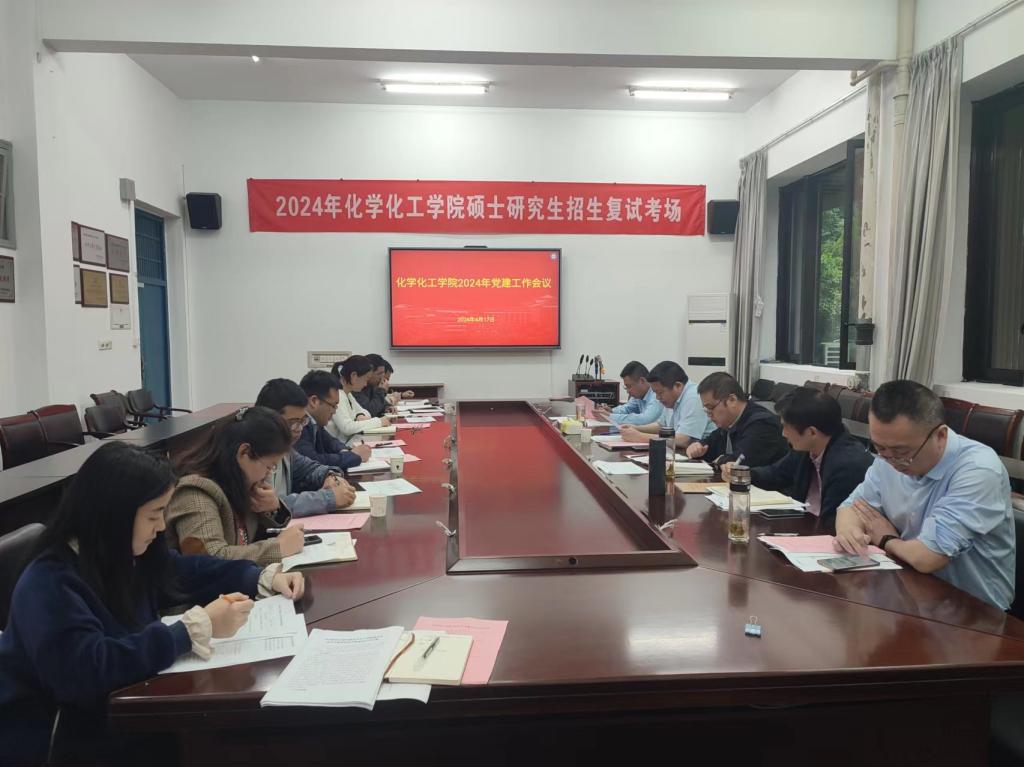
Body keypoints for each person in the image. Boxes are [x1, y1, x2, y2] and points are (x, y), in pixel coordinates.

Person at [0, 442, 304, 764]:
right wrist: (189, 632)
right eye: (154, 515)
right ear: (114, 514)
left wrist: (258, 577)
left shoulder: (118, 552)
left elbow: (184, 572)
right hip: (62, 737)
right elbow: (88, 672)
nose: (161, 526)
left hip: (123, 711)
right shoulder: (48, 582)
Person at [833, 380, 1015, 610]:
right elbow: (851, 508)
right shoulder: (888, 458)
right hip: (909, 594)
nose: (891, 461)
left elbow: (928, 557)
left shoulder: (978, 470)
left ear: (940, 435)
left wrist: (887, 540)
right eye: (879, 448)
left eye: (902, 452)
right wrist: (850, 534)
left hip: (973, 612)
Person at [165, 406, 305, 566]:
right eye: (269, 466)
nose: (267, 475)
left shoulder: (240, 484)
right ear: (244, 453)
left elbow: (256, 539)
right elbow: (209, 558)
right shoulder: (195, 491)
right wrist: (277, 548)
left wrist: (273, 508)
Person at [722, 387, 873, 518]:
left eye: (786, 427)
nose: (783, 434)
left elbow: (831, 521)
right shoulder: (807, 449)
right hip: (804, 523)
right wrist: (743, 474)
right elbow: (776, 474)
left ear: (812, 432)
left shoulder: (847, 465)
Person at [254, 378, 357, 515]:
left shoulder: (287, 451)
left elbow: (311, 468)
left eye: (303, 421)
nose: (299, 429)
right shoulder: (252, 455)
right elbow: (268, 506)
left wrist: (331, 477)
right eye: (293, 422)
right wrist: (328, 498)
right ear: (269, 419)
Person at [686, 372, 789, 468]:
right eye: (706, 409)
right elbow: (708, 446)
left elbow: (740, 462)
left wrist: (721, 459)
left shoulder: (762, 424)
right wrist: (697, 447)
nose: (709, 414)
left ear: (732, 400)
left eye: (711, 407)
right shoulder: (729, 423)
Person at [618, 361, 713, 449]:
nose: (657, 398)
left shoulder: (693, 397)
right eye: (655, 393)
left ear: (678, 386)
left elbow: (684, 440)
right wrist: (636, 428)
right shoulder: (672, 399)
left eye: (660, 392)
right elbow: (661, 425)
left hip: (704, 457)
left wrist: (641, 437)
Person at [297, 369, 372, 471]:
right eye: (333, 405)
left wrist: (346, 450)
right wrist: (353, 456)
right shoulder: (299, 425)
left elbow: (330, 442)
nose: (334, 411)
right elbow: (313, 460)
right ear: (314, 401)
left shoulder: (314, 421)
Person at [328, 355, 392, 445]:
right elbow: (347, 427)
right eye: (366, 379)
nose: (365, 384)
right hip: (340, 446)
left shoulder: (348, 394)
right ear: (354, 376)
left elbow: (367, 413)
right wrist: (379, 421)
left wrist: (359, 415)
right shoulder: (338, 395)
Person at [596, 360, 664, 426]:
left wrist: (610, 417)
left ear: (642, 380)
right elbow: (627, 408)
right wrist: (611, 411)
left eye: (629, 386)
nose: (628, 391)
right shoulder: (639, 395)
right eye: (626, 387)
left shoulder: (657, 395)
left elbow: (645, 420)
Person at [353, 353, 391, 418]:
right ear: (369, 373)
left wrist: (387, 407)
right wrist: (381, 391)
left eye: (383, 373)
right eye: (379, 373)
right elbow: (369, 411)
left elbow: (381, 404)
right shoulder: (356, 388)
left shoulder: (372, 385)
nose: (382, 378)